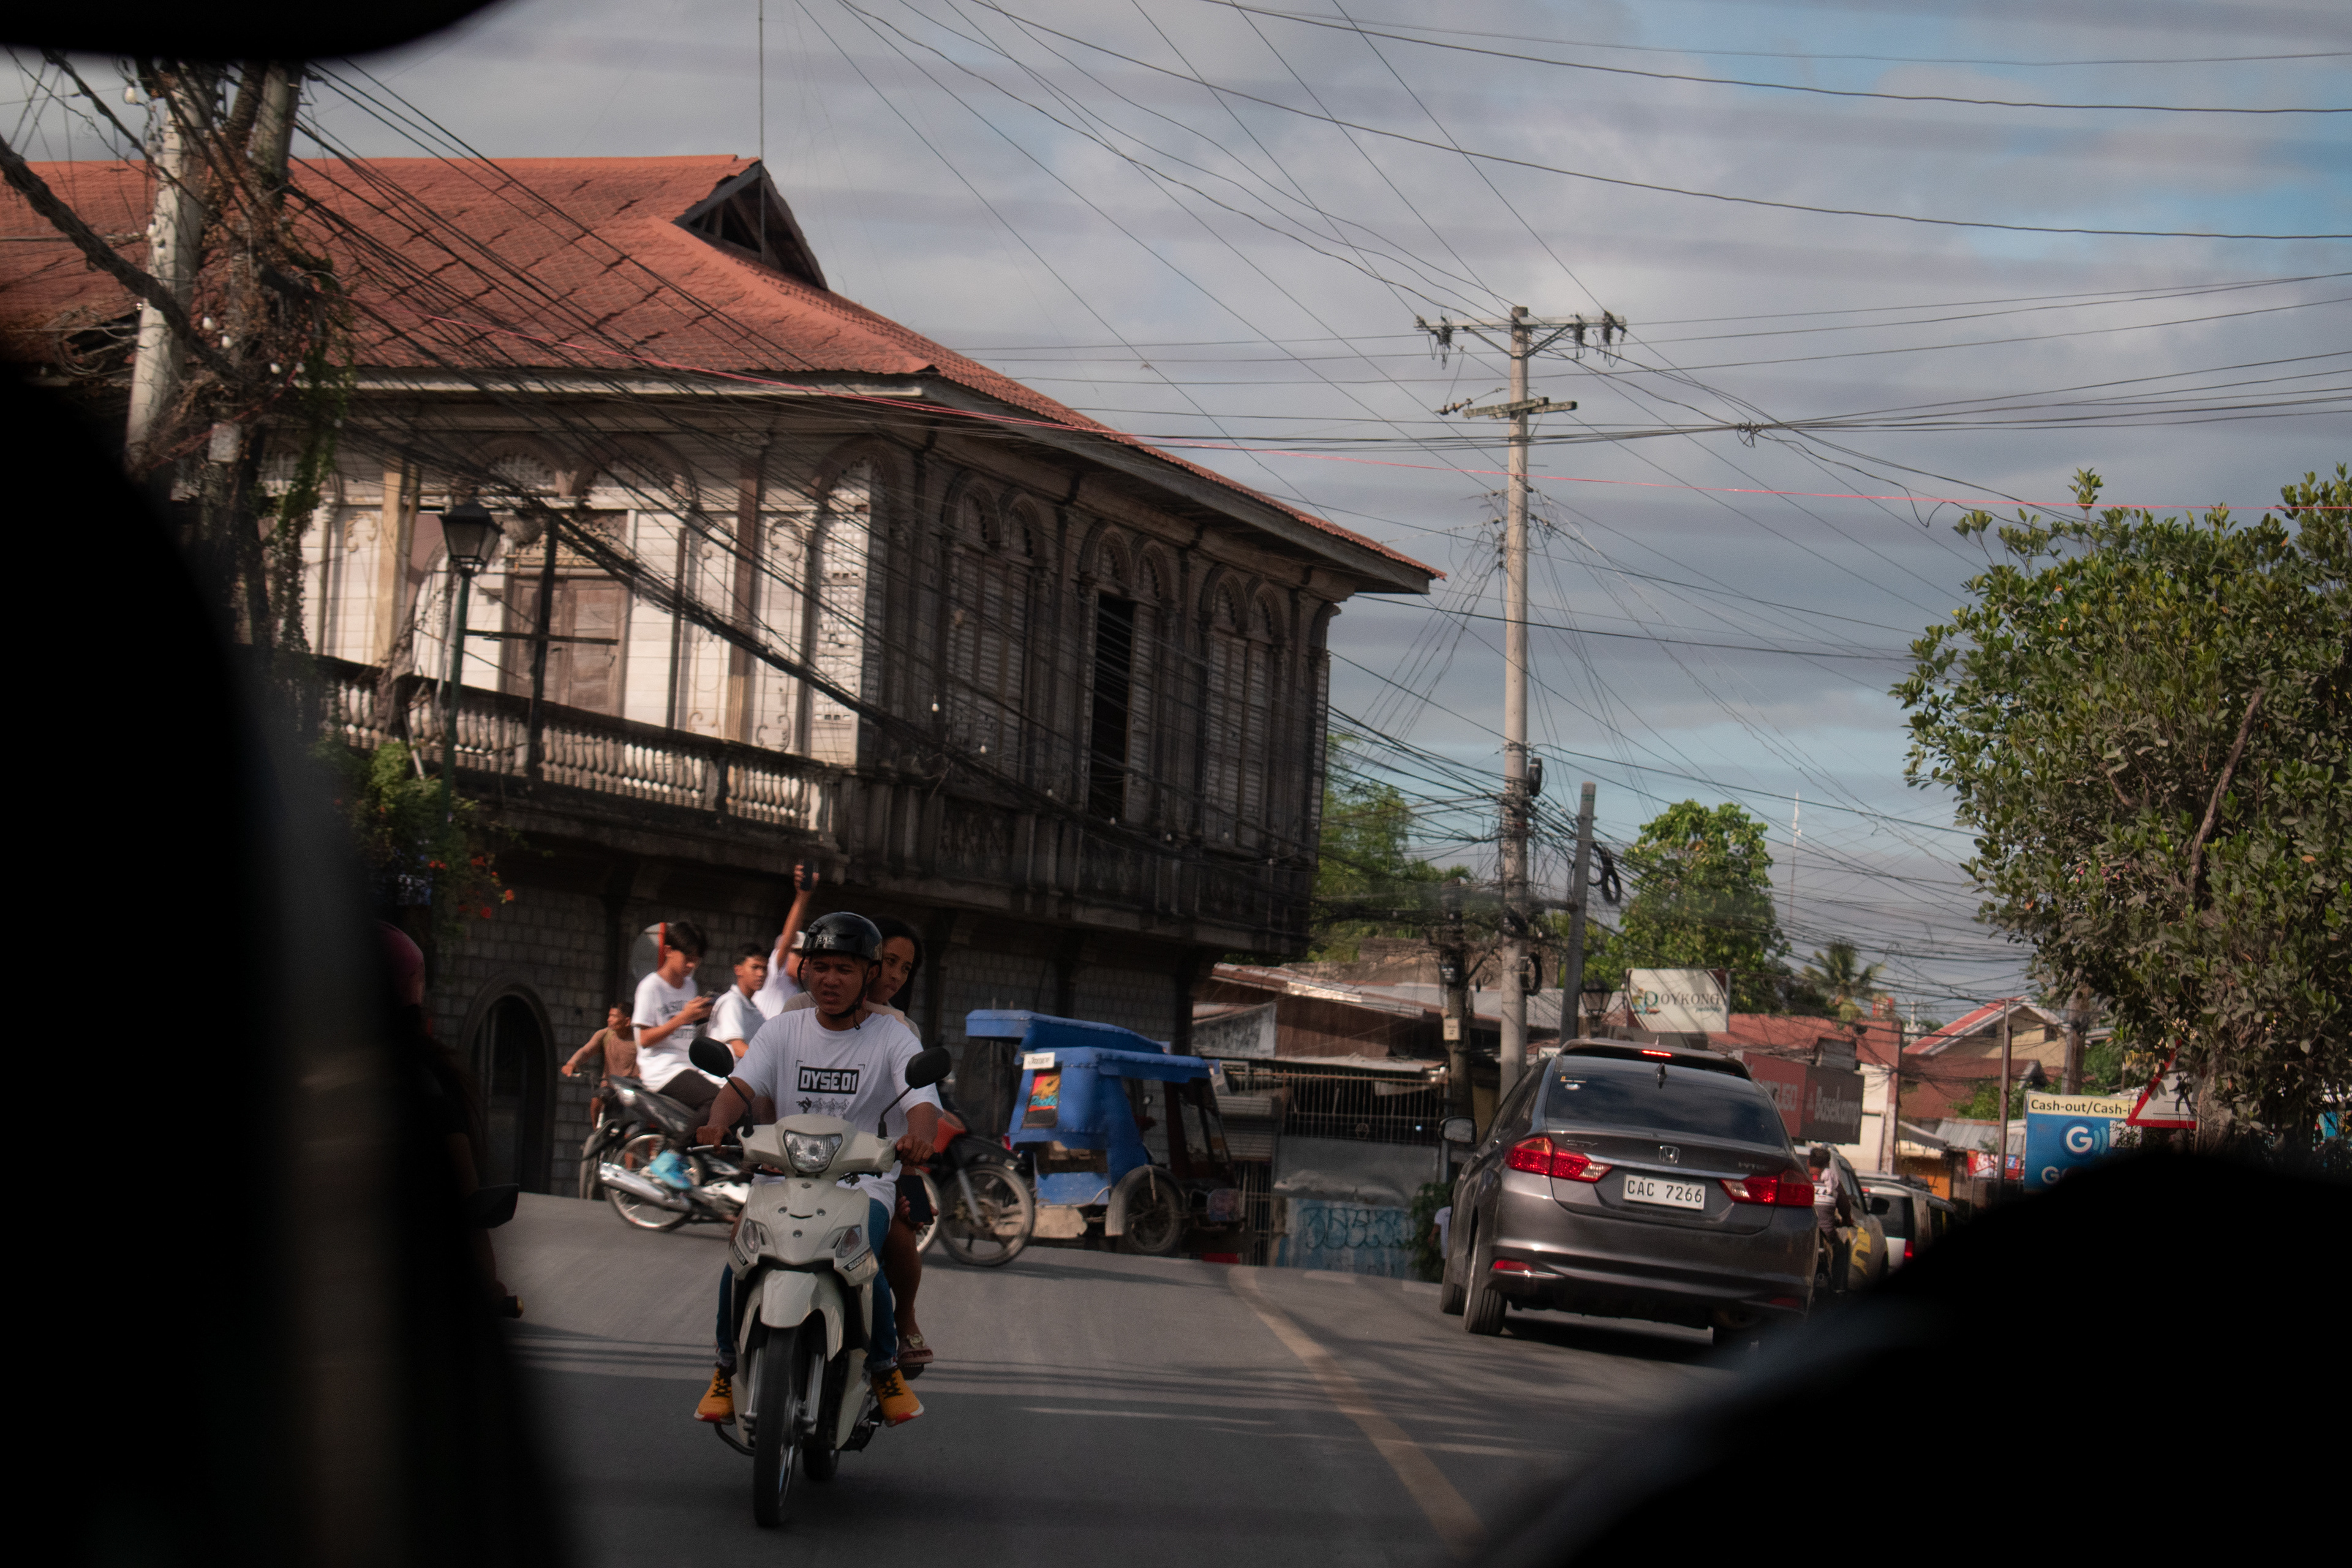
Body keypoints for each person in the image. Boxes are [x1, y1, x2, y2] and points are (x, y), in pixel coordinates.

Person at [692, 913, 936, 1430]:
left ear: (867, 975)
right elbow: (740, 1087)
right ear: (805, 971)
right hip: (781, 1176)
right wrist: (716, 1122)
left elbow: (920, 1098)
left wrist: (919, 1137)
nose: (830, 979)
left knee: (862, 1258)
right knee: (740, 1251)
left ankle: (884, 1365)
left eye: (844, 969)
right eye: (820, 967)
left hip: (861, 1181)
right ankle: (724, 1366)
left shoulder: (892, 1038)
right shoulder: (782, 1030)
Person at [630, 920, 718, 1117]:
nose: (691, 965)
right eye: (687, 958)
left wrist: (702, 1014)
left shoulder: (690, 986)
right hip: (662, 1069)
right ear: (669, 950)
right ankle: (678, 1148)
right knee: (715, 1102)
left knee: (733, 1100)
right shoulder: (650, 988)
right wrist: (683, 1018)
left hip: (688, 1066)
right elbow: (643, 1039)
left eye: (696, 960)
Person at [752, 862, 821, 1020]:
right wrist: (803, 897)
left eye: (809, 958)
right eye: (799, 955)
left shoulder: (801, 996)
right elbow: (788, 940)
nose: (805, 961)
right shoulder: (771, 977)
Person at [560, 1006, 635, 1126]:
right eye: (609, 1016)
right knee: (596, 1100)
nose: (609, 1019)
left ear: (627, 1021)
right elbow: (586, 1051)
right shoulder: (605, 1035)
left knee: (632, 1127)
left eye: (614, 1017)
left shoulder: (638, 1039)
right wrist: (572, 1063)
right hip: (609, 1087)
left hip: (631, 1090)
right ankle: (597, 1135)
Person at [708, 946, 769, 1061]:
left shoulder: (754, 1009)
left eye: (764, 969)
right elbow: (739, 1049)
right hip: (722, 1078)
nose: (761, 974)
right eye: (755, 967)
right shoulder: (731, 1002)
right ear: (738, 970)